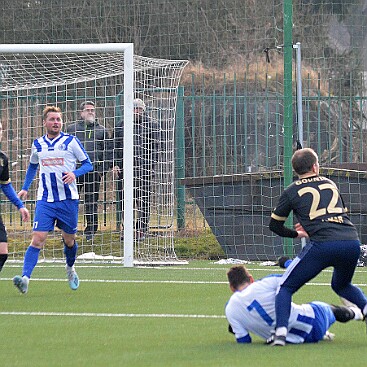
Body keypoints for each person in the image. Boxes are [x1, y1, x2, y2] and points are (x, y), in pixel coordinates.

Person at [268, 147, 367, 346]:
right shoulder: (330, 183)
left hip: (323, 244)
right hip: (351, 241)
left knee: (285, 288)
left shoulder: (291, 190)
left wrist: (296, 234)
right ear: (315, 166)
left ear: (295, 170)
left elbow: (274, 225)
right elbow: (338, 213)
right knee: (341, 285)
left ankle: (280, 334)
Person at [13, 106, 93, 294]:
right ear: (44, 122)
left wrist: (74, 173)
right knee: (38, 239)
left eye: (58, 119)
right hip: (45, 200)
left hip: (68, 200)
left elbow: (88, 164)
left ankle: (70, 268)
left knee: (69, 241)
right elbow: (33, 166)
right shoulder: (37, 144)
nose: (56, 122)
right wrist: (25, 188)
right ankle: (25, 278)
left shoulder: (71, 141)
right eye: (52, 119)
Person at [225, 265, 363, 344]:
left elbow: (244, 340)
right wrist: (287, 263)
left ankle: (328, 331)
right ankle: (356, 312)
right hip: (313, 323)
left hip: (290, 340)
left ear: (232, 287)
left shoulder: (230, 309)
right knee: (329, 309)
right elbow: (296, 277)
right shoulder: (267, 283)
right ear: (251, 279)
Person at [113, 98, 160, 240]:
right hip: (125, 170)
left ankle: (142, 230)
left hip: (144, 169)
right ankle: (126, 230)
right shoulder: (121, 125)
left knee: (144, 201)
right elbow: (115, 146)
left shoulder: (152, 125)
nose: (136, 111)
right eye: (134, 108)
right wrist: (115, 164)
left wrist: (151, 167)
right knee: (125, 201)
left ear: (143, 110)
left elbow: (156, 149)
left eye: (139, 108)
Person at [66, 101, 109, 240]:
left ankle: (90, 230)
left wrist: (102, 170)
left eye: (92, 110)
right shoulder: (71, 129)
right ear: (81, 112)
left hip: (93, 171)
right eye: (87, 110)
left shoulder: (101, 130)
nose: (90, 112)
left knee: (91, 201)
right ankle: (68, 229)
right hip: (74, 172)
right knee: (71, 200)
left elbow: (107, 151)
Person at [0, 121, 30, 273]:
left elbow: (5, 185)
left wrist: (20, 205)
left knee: (2, 252)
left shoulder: (2, 159)